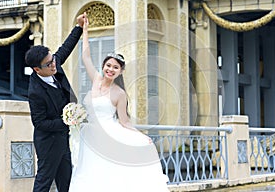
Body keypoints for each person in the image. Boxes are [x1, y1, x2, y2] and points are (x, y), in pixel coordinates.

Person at [69, 14, 169, 191]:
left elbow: (124, 122)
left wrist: (142, 136)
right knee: (86, 173)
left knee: (105, 175)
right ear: (103, 66)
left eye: (115, 67)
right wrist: (84, 30)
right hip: (88, 135)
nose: (110, 69)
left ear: (120, 71)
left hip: (108, 136)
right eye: (108, 65)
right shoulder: (96, 80)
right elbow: (86, 57)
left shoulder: (119, 94)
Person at [25, 13, 85, 192]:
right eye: (49, 64)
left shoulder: (52, 64)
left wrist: (79, 27)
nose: (54, 65)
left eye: (53, 60)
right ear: (37, 69)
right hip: (48, 143)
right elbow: (40, 123)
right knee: (43, 184)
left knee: (66, 182)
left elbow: (65, 48)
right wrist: (68, 121)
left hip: (63, 139)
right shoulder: (35, 92)